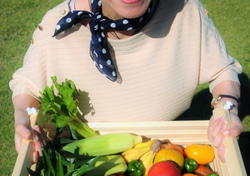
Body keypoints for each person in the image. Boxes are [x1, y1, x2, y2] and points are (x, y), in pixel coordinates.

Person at [9, 0, 244, 162]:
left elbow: (222, 70)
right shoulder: (56, 27)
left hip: (166, 150)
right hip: (88, 157)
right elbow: (28, 85)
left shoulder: (186, 11)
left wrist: (227, 107)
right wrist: (23, 118)